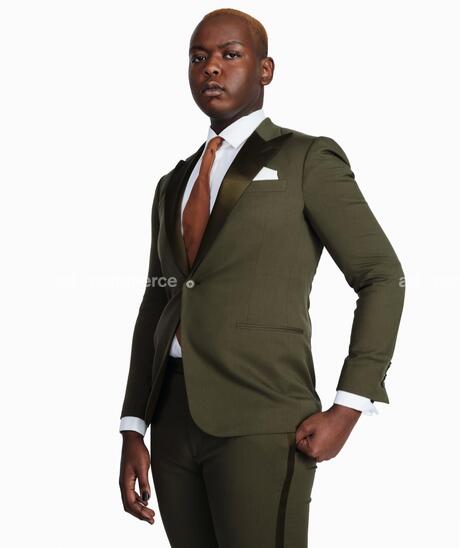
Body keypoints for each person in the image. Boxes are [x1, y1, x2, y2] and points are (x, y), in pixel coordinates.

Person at [118, 8, 405, 547]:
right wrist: (134, 424)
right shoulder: (172, 182)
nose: (211, 68)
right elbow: (157, 301)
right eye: (198, 58)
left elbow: (381, 276)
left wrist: (350, 404)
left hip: (264, 416)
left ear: (265, 70)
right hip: (172, 420)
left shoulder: (305, 159)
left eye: (230, 55)